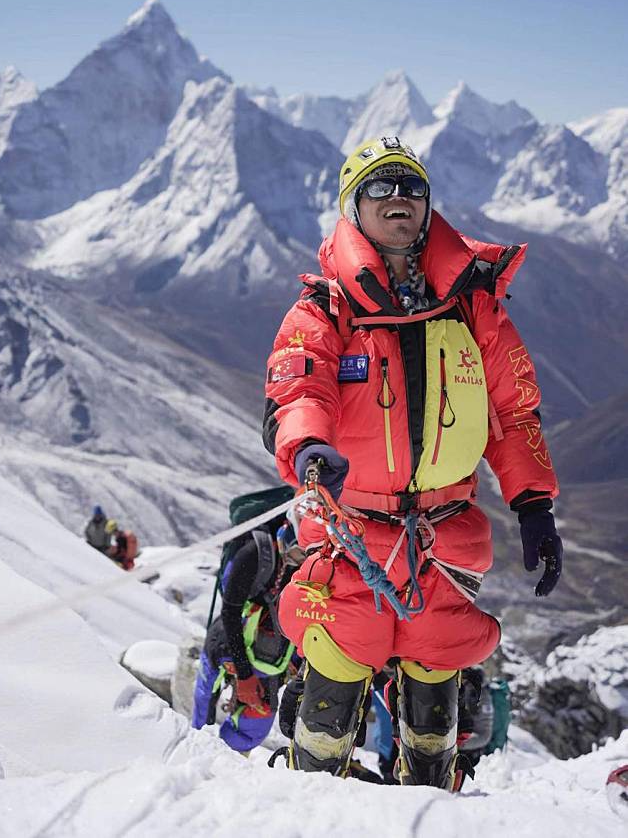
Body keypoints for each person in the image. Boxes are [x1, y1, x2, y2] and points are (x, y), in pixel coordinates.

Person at [262, 135, 563, 788]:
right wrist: (309, 445)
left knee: (435, 707)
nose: (398, 198)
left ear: (428, 206)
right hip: (349, 534)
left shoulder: (473, 304)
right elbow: (298, 384)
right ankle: (303, 812)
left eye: (411, 187)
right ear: (353, 206)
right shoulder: (327, 307)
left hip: (443, 538)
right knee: (330, 699)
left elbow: (514, 410)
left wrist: (533, 502)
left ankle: (429, 807)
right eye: (380, 187)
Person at [192, 517, 305, 754]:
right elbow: (230, 613)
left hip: (275, 655)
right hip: (228, 640)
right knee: (204, 703)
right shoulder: (254, 554)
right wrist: (244, 675)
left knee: (251, 729)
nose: (301, 562)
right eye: (298, 553)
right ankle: (195, 745)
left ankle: (226, 759)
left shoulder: (314, 564)